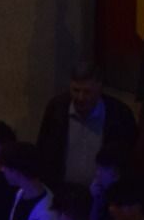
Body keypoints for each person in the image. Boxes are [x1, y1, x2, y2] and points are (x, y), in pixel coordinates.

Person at [36, 61, 137, 190]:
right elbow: (42, 149)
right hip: (61, 193)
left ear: (100, 88)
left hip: (102, 196)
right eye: (76, 90)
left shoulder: (119, 115)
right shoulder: (57, 109)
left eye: (87, 92)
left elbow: (128, 160)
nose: (80, 97)